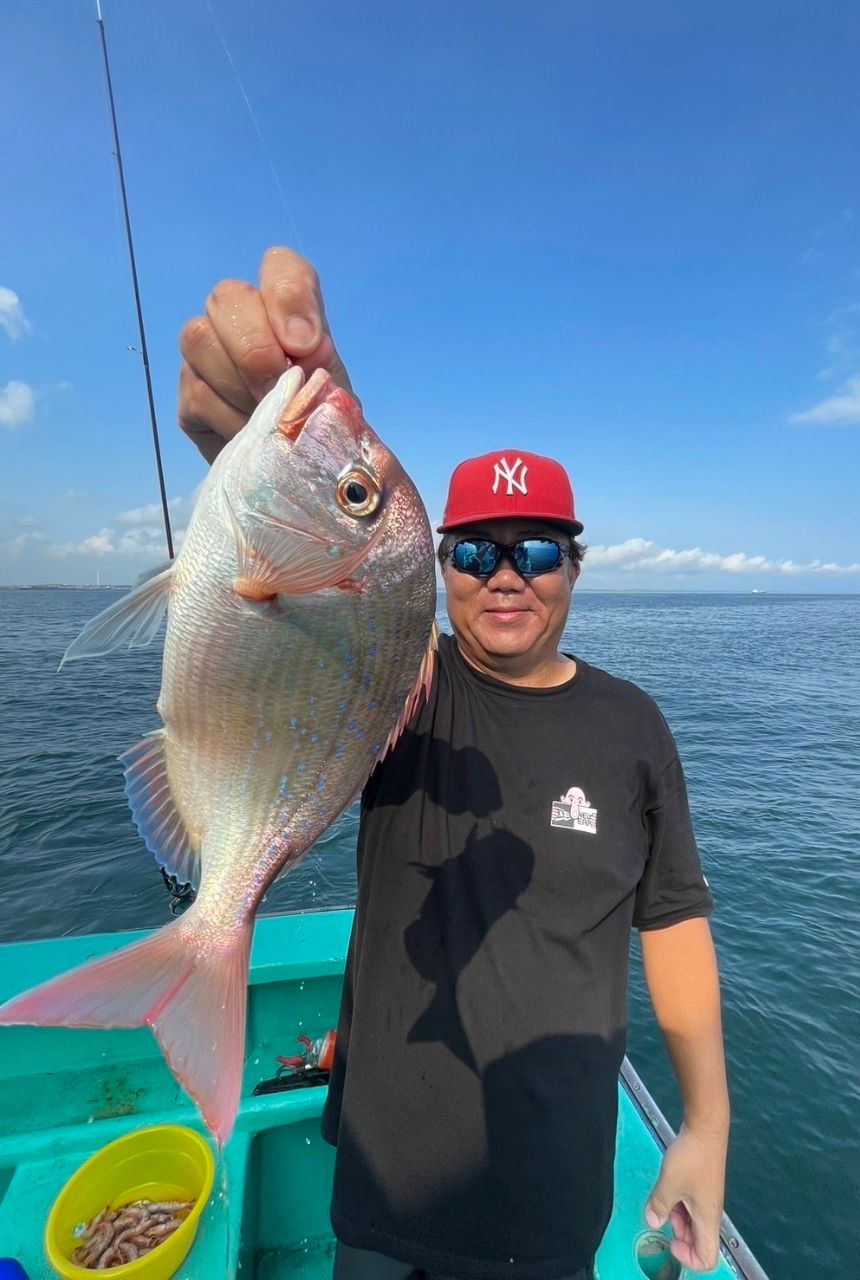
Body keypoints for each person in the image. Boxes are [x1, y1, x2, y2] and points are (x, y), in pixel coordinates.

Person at [178, 247, 730, 1279]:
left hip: (550, 1200)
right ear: (438, 566)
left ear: (576, 562)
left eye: (537, 548)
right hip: (384, 1183)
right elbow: (336, 591)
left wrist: (706, 1124)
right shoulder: (399, 683)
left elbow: (675, 919)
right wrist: (289, 435)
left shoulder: (635, 726)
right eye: (476, 551)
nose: (506, 574)